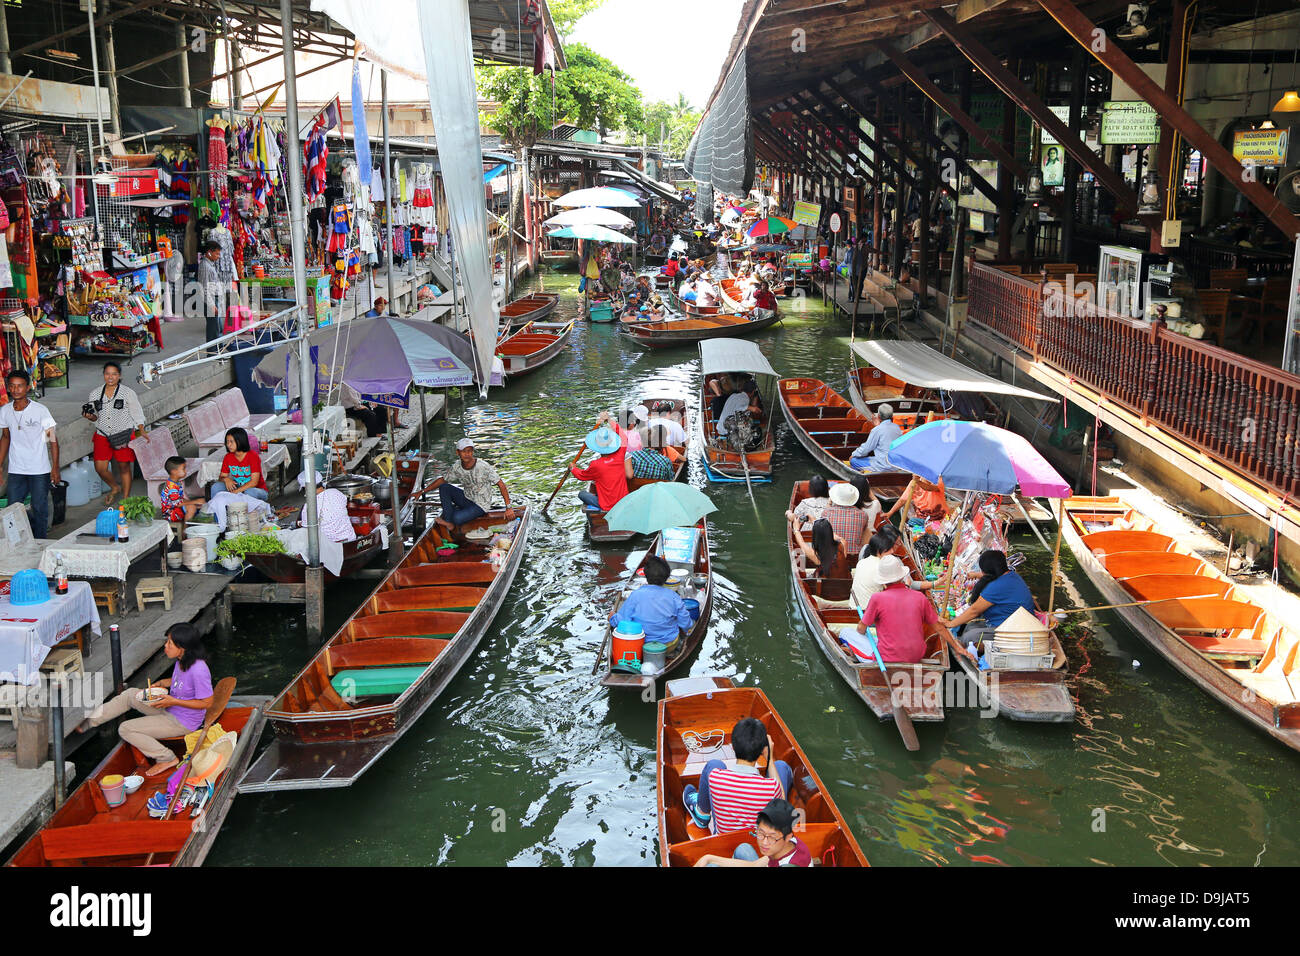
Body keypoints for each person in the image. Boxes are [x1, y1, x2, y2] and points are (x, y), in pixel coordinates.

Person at [82, 622, 214, 776]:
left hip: (183, 722)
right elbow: (183, 682)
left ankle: (166, 758)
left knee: (125, 728)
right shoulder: (182, 660)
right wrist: (164, 683)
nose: (165, 646)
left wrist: (174, 701)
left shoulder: (199, 669)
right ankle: (90, 721)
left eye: (169, 643)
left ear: (182, 647)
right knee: (131, 694)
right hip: (170, 707)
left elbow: (207, 702)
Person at [682, 716, 792, 833]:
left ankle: (702, 814)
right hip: (760, 843)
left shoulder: (715, 778)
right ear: (762, 750)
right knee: (781, 766)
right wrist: (769, 758)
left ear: (733, 747)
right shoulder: (772, 787)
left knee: (714, 764)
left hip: (724, 839)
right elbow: (782, 805)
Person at [856, 555, 962, 664]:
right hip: (916, 656)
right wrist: (957, 648)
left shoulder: (877, 598)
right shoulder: (919, 597)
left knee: (846, 633)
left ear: (883, 581)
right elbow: (939, 628)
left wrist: (866, 627)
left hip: (887, 658)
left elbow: (861, 628)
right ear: (901, 577)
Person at [0, 370, 59, 538]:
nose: (16, 389)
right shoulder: (5, 411)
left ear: (27, 387)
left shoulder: (40, 411)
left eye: (20, 386)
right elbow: (5, 437)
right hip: (16, 468)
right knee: (12, 509)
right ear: (8, 388)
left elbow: (53, 440)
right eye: (12, 386)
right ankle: (15, 543)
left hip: (39, 469)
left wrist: (55, 468)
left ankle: (40, 542)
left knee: (39, 507)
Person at [83, 360, 147, 504]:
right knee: (100, 468)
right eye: (107, 374)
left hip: (123, 433)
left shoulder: (128, 393)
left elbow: (137, 413)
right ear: (103, 375)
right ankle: (115, 487)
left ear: (119, 376)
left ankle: (125, 499)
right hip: (102, 434)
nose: (110, 377)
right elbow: (95, 418)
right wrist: (89, 416)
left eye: (114, 374)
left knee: (124, 467)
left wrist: (141, 430)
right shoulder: (95, 394)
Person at [425, 437, 515, 533]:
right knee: (444, 488)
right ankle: (448, 522)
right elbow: (443, 480)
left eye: (469, 451)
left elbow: (501, 484)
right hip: (467, 498)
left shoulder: (483, 466)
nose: (467, 454)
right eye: (464, 451)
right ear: (458, 453)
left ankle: (451, 520)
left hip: (481, 505)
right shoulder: (457, 466)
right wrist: (422, 491)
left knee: (457, 518)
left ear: (472, 452)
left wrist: (508, 507)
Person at [693, 798, 812, 867]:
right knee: (743, 848)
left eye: (772, 837)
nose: (764, 842)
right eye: (760, 833)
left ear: (788, 837)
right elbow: (755, 865)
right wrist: (709, 858)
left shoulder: (788, 863)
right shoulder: (790, 843)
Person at [945, 550, 1035, 639]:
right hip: (1013, 624)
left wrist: (950, 624)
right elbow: (991, 575)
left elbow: (974, 610)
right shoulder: (1011, 575)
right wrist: (976, 574)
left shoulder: (997, 586)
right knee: (970, 626)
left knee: (969, 637)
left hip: (1013, 631)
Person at [609, 554, 691, 645]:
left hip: (641, 643)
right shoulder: (674, 597)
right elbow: (686, 623)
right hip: (669, 644)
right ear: (666, 577)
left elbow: (622, 621)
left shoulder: (635, 595)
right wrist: (686, 630)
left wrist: (612, 617)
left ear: (646, 576)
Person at [573, 425, 628, 512]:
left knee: (582, 494)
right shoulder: (620, 456)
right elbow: (624, 437)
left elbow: (581, 475)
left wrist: (573, 468)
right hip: (623, 502)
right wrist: (609, 420)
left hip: (607, 505)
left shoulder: (596, 465)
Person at [208, 427, 268, 502]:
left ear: (240, 441)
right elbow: (222, 477)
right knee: (216, 487)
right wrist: (226, 479)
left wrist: (236, 491)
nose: (228, 445)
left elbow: (254, 482)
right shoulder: (228, 457)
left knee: (249, 492)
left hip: (257, 490)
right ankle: (218, 512)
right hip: (238, 488)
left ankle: (247, 512)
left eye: (231, 442)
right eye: (227, 442)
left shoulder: (253, 456)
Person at [849, 404, 904, 473]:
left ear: (878, 417)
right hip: (895, 465)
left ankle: (863, 478)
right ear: (892, 417)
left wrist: (853, 454)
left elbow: (866, 449)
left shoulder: (877, 430)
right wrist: (878, 426)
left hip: (883, 466)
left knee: (854, 461)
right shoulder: (897, 428)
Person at [822, 481, 869, 555]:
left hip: (832, 556)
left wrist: (829, 503)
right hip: (855, 556)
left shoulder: (826, 512)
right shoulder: (863, 515)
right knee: (866, 530)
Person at [159, 456, 204, 524]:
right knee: (191, 508)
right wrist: (195, 501)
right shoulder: (171, 487)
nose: (185, 471)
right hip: (170, 513)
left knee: (196, 505)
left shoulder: (177, 482)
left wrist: (194, 502)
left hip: (175, 508)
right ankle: (185, 532)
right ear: (174, 471)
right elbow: (177, 503)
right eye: (183, 469)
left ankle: (190, 525)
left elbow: (180, 499)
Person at [197, 239, 225, 347]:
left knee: (218, 327)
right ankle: (213, 353)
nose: (218, 256)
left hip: (214, 299)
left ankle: (219, 350)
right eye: (217, 253)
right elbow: (204, 288)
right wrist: (212, 305)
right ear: (209, 252)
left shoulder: (210, 264)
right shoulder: (205, 266)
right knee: (214, 329)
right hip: (210, 300)